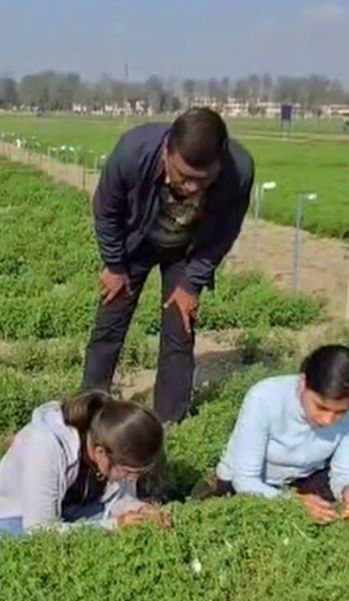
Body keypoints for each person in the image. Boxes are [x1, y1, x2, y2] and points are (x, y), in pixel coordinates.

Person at [83, 107, 255, 425]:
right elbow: (106, 212)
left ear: (219, 163)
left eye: (201, 180)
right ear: (167, 150)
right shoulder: (132, 152)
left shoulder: (239, 171)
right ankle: (90, 408)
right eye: (183, 176)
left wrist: (192, 284)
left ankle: (168, 421)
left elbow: (224, 233)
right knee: (110, 320)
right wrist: (114, 265)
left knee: (181, 329)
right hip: (134, 245)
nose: (190, 187)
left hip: (186, 251)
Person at [0, 390, 170, 539]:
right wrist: (114, 526)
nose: (132, 479)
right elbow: (39, 532)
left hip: (68, 511)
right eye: (128, 472)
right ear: (100, 453)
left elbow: (118, 499)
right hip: (11, 520)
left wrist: (141, 510)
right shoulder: (46, 445)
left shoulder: (112, 441)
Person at [213, 345, 349, 523]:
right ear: (303, 384)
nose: (328, 420)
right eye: (321, 407)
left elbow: (345, 471)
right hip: (247, 485)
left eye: (340, 412)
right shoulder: (264, 397)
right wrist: (292, 503)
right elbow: (245, 480)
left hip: (305, 479)